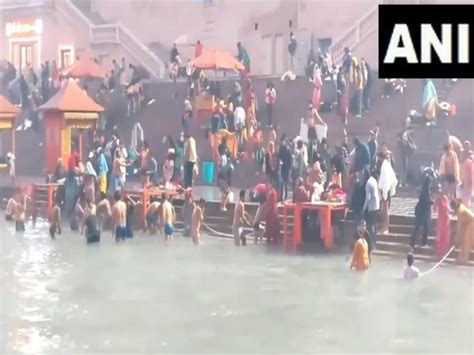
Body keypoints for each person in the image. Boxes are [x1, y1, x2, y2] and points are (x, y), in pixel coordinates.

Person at [378, 151, 398, 235]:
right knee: (384, 210)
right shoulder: (386, 164)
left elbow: (386, 181)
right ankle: (384, 226)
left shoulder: (384, 166)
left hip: (386, 191)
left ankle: (385, 228)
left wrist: (385, 195)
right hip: (386, 190)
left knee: (386, 210)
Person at [410, 176, 433, 248]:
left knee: (419, 227)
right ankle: (422, 242)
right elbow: (425, 201)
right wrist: (431, 202)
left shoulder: (424, 190)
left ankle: (414, 242)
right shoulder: (426, 191)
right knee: (423, 227)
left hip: (421, 211)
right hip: (423, 212)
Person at [451, 199, 474, 264]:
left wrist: (456, 239)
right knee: (463, 240)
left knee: (467, 241)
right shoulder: (461, 206)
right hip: (467, 223)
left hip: (471, 223)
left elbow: (459, 227)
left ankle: (465, 259)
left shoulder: (459, 211)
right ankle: (461, 257)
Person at [362, 168, 379, 251]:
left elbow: (368, 198)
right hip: (376, 206)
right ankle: (374, 243)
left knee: (369, 226)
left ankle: (370, 244)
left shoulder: (368, 183)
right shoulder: (373, 180)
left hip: (371, 207)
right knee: (374, 225)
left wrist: (364, 208)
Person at [433, 186, 451, 259]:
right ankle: (439, 252)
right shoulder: (438, 199)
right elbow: (434, 209)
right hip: (441, 219)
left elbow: (447, 208)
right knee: (441, 235)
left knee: (445, 235)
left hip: (445, 218)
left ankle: (443, 251)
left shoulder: (445, 198)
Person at [460, 143, 473, 208]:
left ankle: (467, 204)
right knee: (465, 190)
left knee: (469, 190)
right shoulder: (463, 155)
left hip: (470, 174)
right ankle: (464, 204)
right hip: (465, 174)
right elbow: (461, 164)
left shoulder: (471, 155)